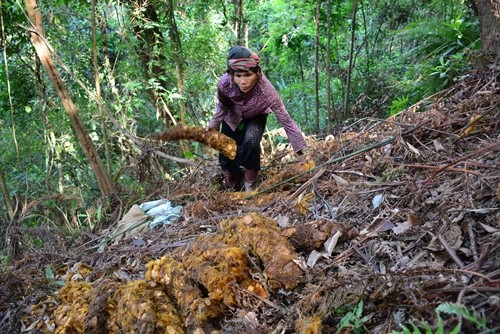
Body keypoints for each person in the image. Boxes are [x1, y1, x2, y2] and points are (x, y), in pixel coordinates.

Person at [207, 46, 308, 192]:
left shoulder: (266, 90)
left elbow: (285, 120)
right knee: (226, 152)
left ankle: (250, 185)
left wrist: (302, 150)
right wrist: (213, 126)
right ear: (231, 75)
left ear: (258, 73)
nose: (243, 81)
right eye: (238, 76)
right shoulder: (224, 84)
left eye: (248, 75)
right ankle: (232, 186)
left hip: (256, 116)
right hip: (232, 117)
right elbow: (223, 106)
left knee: (251, 144)